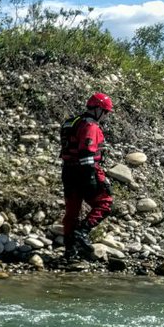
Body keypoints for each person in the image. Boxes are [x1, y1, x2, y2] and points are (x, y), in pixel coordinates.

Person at [60, 92, 114, 260]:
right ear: (98, 109)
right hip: (85, 170)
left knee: (72, 212)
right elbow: (86, 152)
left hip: (68, 172)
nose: (105, 116)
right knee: (105, 204)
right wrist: (91, 178)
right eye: (105, 112)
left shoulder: (71, 122)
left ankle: (70, 253)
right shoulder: (91, 126)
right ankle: (81, 233)